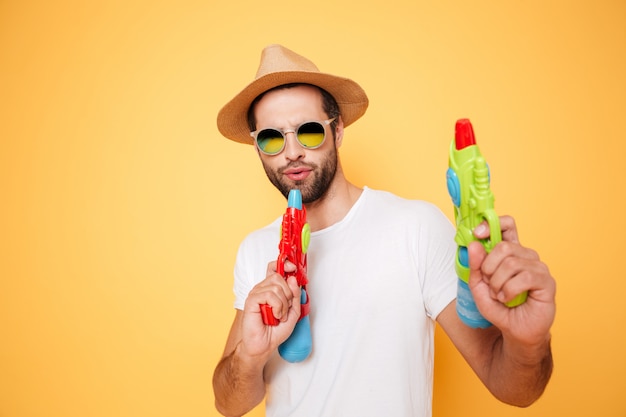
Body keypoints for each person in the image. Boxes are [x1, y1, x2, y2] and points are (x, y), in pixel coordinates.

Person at [212, 44, 555, 417]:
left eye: (309, 131)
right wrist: (250, 354)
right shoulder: (255, 250)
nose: (291, 151)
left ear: (338, 130)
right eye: (272, 137)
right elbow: (228, 405)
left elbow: (513, 387)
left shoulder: (416, 228)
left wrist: (529, 341)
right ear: (258, 146)